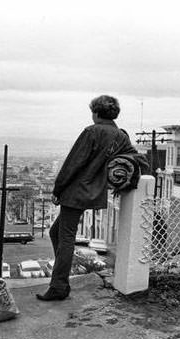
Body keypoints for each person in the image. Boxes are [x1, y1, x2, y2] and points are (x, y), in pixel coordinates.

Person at [37, 95, 137, 301]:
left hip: (75, 192)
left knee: (65, 238)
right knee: (56, 232)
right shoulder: (121, 136)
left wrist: (58, 189)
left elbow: (73, 163)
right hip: (94, 192)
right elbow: (135, 159)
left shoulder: (92, 132)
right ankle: (63, 273)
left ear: (97, 113)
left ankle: (59, 285)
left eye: (93, 111)